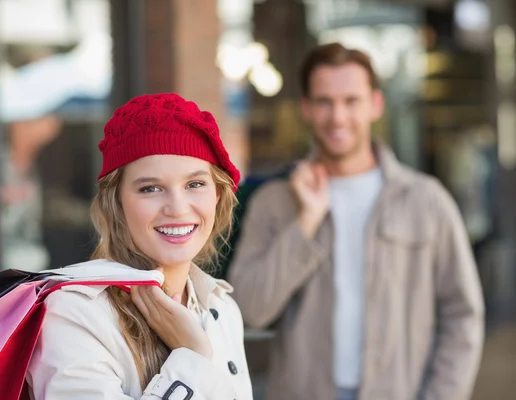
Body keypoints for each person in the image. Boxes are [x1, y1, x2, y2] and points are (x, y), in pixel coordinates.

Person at [227, 42, 485, 400]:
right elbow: (248, 311)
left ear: (375, 105)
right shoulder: (274, 203)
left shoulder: (427, 201)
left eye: (351, 100)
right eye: (324, 101)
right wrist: (305, 224)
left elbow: (462, 315)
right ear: (305, 108)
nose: (338, 117)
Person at [26, 93, 253, 399]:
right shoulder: (73, 314)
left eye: (195, 184)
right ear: (117, 203)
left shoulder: (221, 308)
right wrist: (192, 356)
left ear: (217, 194)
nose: (177, 208)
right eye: (151, 188)